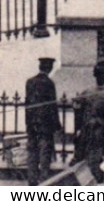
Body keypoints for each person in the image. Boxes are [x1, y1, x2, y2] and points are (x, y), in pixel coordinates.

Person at [73, 58, 104, 181]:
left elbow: (77, 106)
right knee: (96, 162)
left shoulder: (87, 92)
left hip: (86, 130)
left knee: (87, 160)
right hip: (100, 132)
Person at [25, 57, 61, 185]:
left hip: (32, 124)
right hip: (45, 125)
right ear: (50, 68)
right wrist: (57, 125)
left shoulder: (29, 82)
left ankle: (32, 180)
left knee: (32, 152)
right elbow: (52, 106)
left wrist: (28, 123)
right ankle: (44, 180)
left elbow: (27, 104)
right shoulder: (49, 83)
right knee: (44, 153)